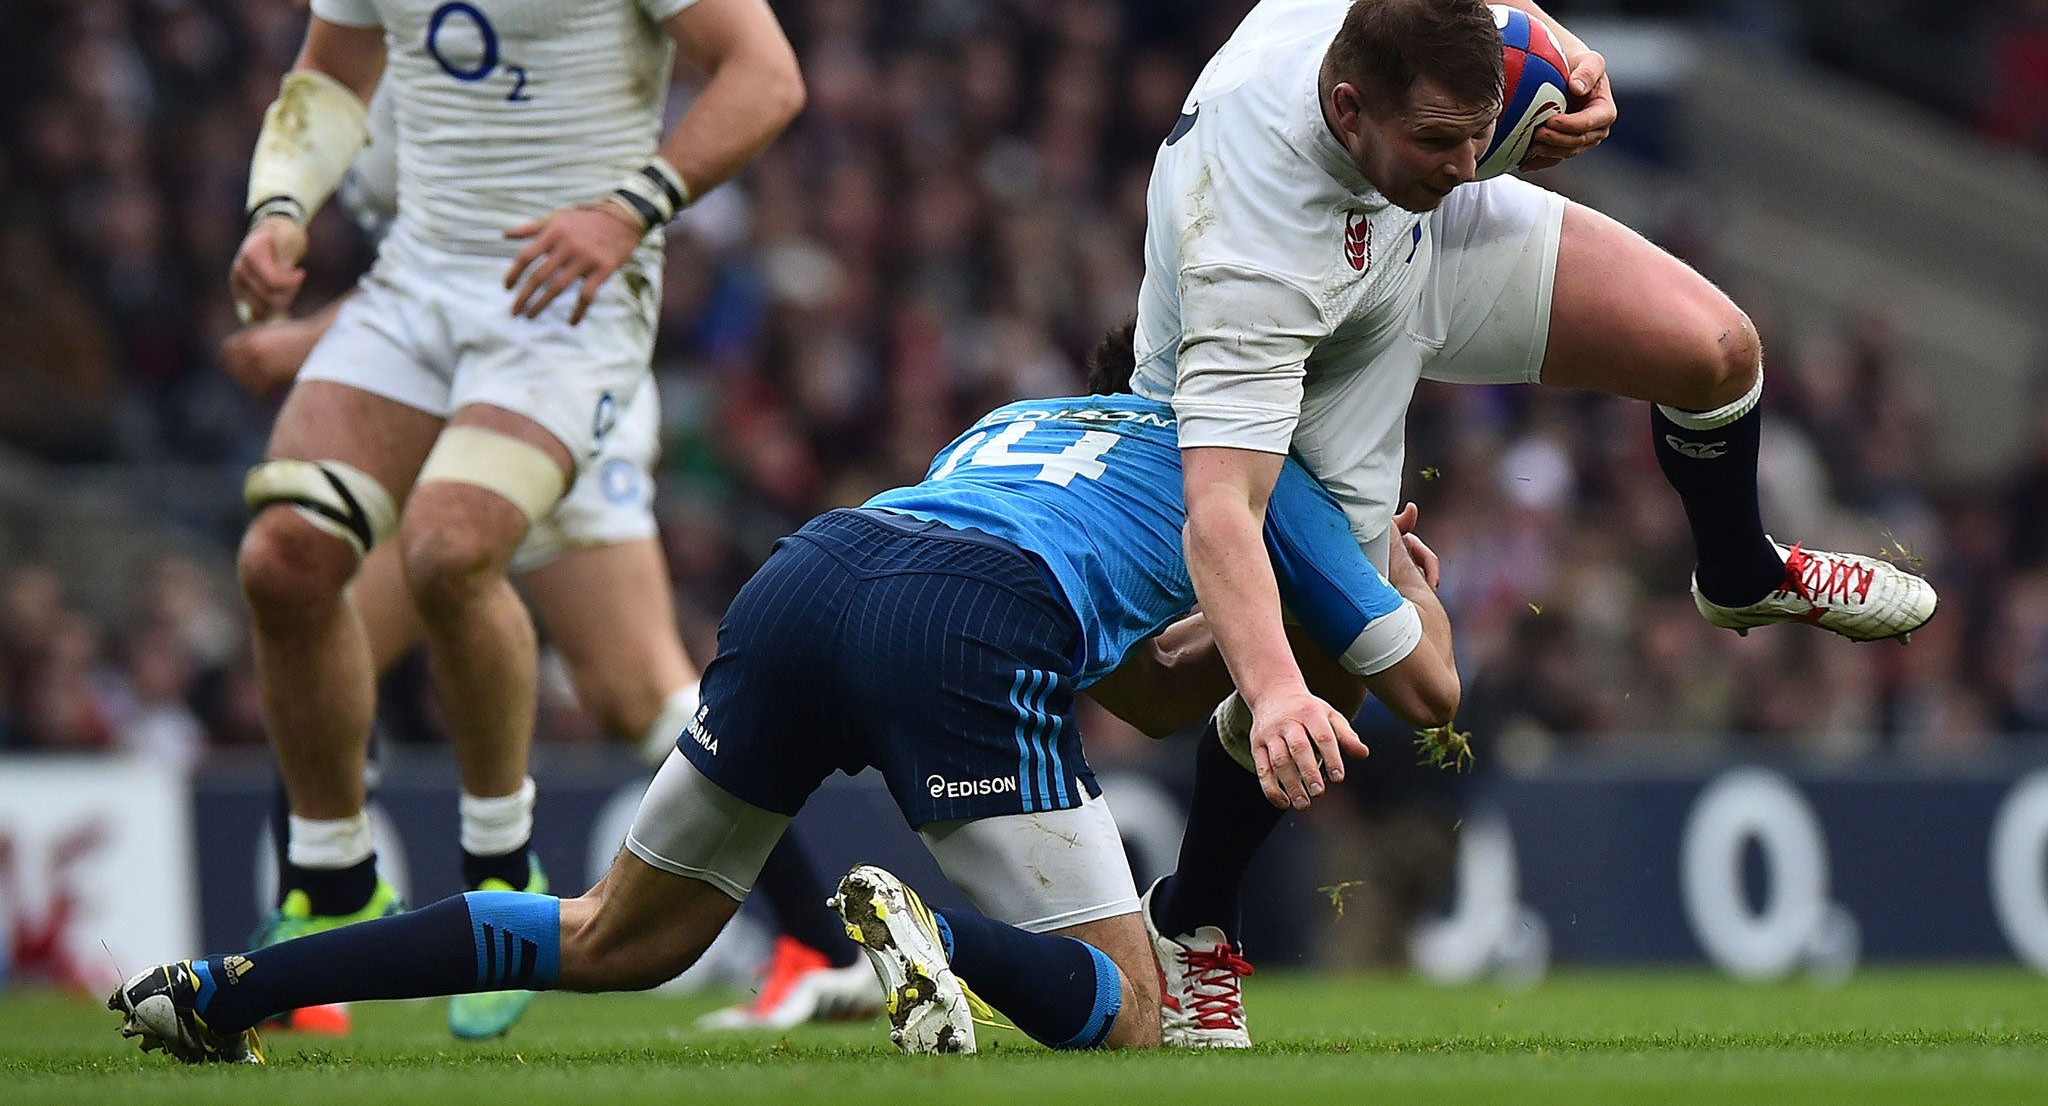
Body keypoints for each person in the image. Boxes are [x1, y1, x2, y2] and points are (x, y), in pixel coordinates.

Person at [110, 368, 1458, 1062]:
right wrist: (1399, 583)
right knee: (1134, 1016)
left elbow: (1135, 687)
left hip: (815, 570)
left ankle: (232, 989)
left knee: (615, 936)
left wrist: (1222, 653)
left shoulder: (1026, 421)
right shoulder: (1248, 464)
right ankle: (932, 931)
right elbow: (1428, 690)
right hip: (971, 617)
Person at [1124, 0, 1940, 1043]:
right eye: (1441, 141)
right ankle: (1194, 921)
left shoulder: (1387, 43)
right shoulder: (1248, 247)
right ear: (1348, 106)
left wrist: (1563, 49)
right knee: (1372, 677)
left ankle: (1741, 569)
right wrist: (1267, 695)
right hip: (1311, 361)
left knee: (1714, 350)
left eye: (1478, 133)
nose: (1470, 163)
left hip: (1414, 246)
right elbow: (1219, 505)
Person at [220, 0, 807, 1042]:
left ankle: (506, 863)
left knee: (464, 563)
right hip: (421, 288)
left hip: (569, 305)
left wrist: (631, 204)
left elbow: (767, 72)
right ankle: (332, 876)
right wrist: (281, 207)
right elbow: (329, 77)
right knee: (285, 557)